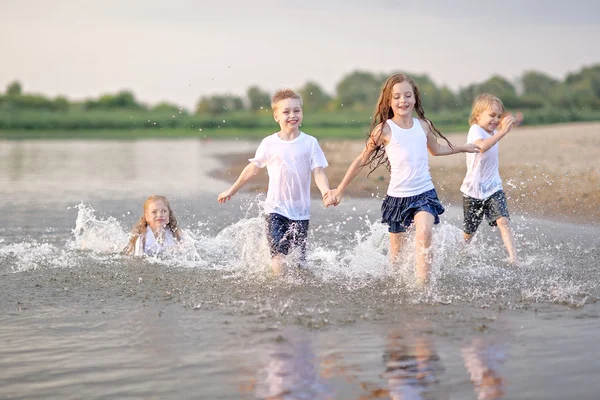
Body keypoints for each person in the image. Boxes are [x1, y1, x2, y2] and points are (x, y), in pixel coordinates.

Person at [326, 73, 479, 286]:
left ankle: (423, 287)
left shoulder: (423, 125)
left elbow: (436, 150)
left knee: (424, 233)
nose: (402, 101)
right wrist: (340, 189)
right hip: (397, 199)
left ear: (415, 98)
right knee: (396, 263)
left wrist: (463, 148)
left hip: (424, 193)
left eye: (407, 95)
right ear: (389, 101)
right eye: (397, 97)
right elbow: (362, 159)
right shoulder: (385, 129)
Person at [217, 89, 331, 274]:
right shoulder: (269, 143)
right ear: (276, 116)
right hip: (275, 209)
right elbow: (252, 169)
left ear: (302, 113)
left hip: (301, 211)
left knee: (299, 261)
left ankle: (296, 292)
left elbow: (318, 172)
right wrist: (232, 190)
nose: (292, 115)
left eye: (296, 111)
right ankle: (279, 288)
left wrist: (326, 191)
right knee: (278, 255)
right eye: (286, 112)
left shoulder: (310, 143)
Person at [460, 94, 518, 264]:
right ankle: (459, 254)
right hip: (472, 190)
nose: (496, 119)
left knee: (503, 221)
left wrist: (499, 132)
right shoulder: (475, 130)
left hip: (493, 187)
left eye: (499, 116)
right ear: (478, 116)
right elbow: (482, 147)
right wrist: (502, 132)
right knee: (469, 231)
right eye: (492, 115)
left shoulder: (493, 133)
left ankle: (514, 258)